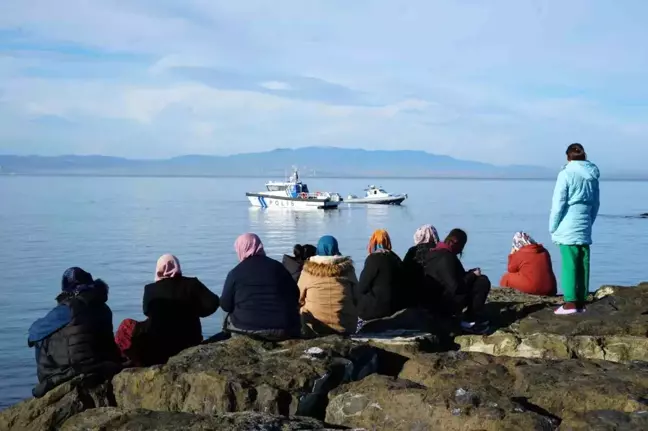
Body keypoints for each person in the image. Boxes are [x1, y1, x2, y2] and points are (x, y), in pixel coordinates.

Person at [27, 267, 121, 398]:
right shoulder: (104, 307)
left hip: (78, 368)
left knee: (41, 337)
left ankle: (47, 376)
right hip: (104, 363)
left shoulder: (69, 307)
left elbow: (33, 334)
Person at [115, 254, 220, 367]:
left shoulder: (150, 289)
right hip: (190, 341)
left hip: (158, 345)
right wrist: (197, 312)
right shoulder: (192, 284)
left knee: (128, 326)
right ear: (177, 266)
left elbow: (146, 311)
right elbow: (213, 303)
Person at [549, 143, 600, 315]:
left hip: (568, 222)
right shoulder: (592, 176)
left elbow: (559, 204)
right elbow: (596, 203)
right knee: (583, 262)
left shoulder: (566, 174)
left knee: (569, 263)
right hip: (585, 221)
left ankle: (570, 303)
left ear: (568, 157)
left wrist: (553, 226)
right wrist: (589, 221)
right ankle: (581, 299)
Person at [221, 233, 301, 340]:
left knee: (225, 308)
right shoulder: (278, 267)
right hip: (282, 329)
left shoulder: (235, 273)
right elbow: (295, 294)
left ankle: (227, 338)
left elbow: (225, 305)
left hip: (246, 329)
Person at [423, 228, 491, 333]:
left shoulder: (432, 254)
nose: (461, 251)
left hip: (431, 301)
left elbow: (449, 277)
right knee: (482, 281)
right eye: (461, 246)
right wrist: (472, 275)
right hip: (444, 303)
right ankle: (470, 320)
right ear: (454, 243)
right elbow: (456, 287)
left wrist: (469, 274)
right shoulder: (447, 257)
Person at [298, 235, 358, 336]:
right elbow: (357, 296)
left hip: (314, 328)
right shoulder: (348, 269)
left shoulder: (308, 270)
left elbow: (298, 296)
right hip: (345, 327)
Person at [355, 229, 406, 324]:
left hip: (376, 310)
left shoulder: (373, 259)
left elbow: (362, 287)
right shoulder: (396, 258)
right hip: (396, 307)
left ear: (372, 243)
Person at [499, 232, 557, 296]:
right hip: (551, 289)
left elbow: (511, 269)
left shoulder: (520, 253)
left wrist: (511, 254)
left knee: (506, 277)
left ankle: (505, 295)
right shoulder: (544, 251)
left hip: (534, 288)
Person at [402, 224, 441, 304]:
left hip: (412, 294)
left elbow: (404, 270)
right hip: (433, 294)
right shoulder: (438, 251)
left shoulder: (412, 251)